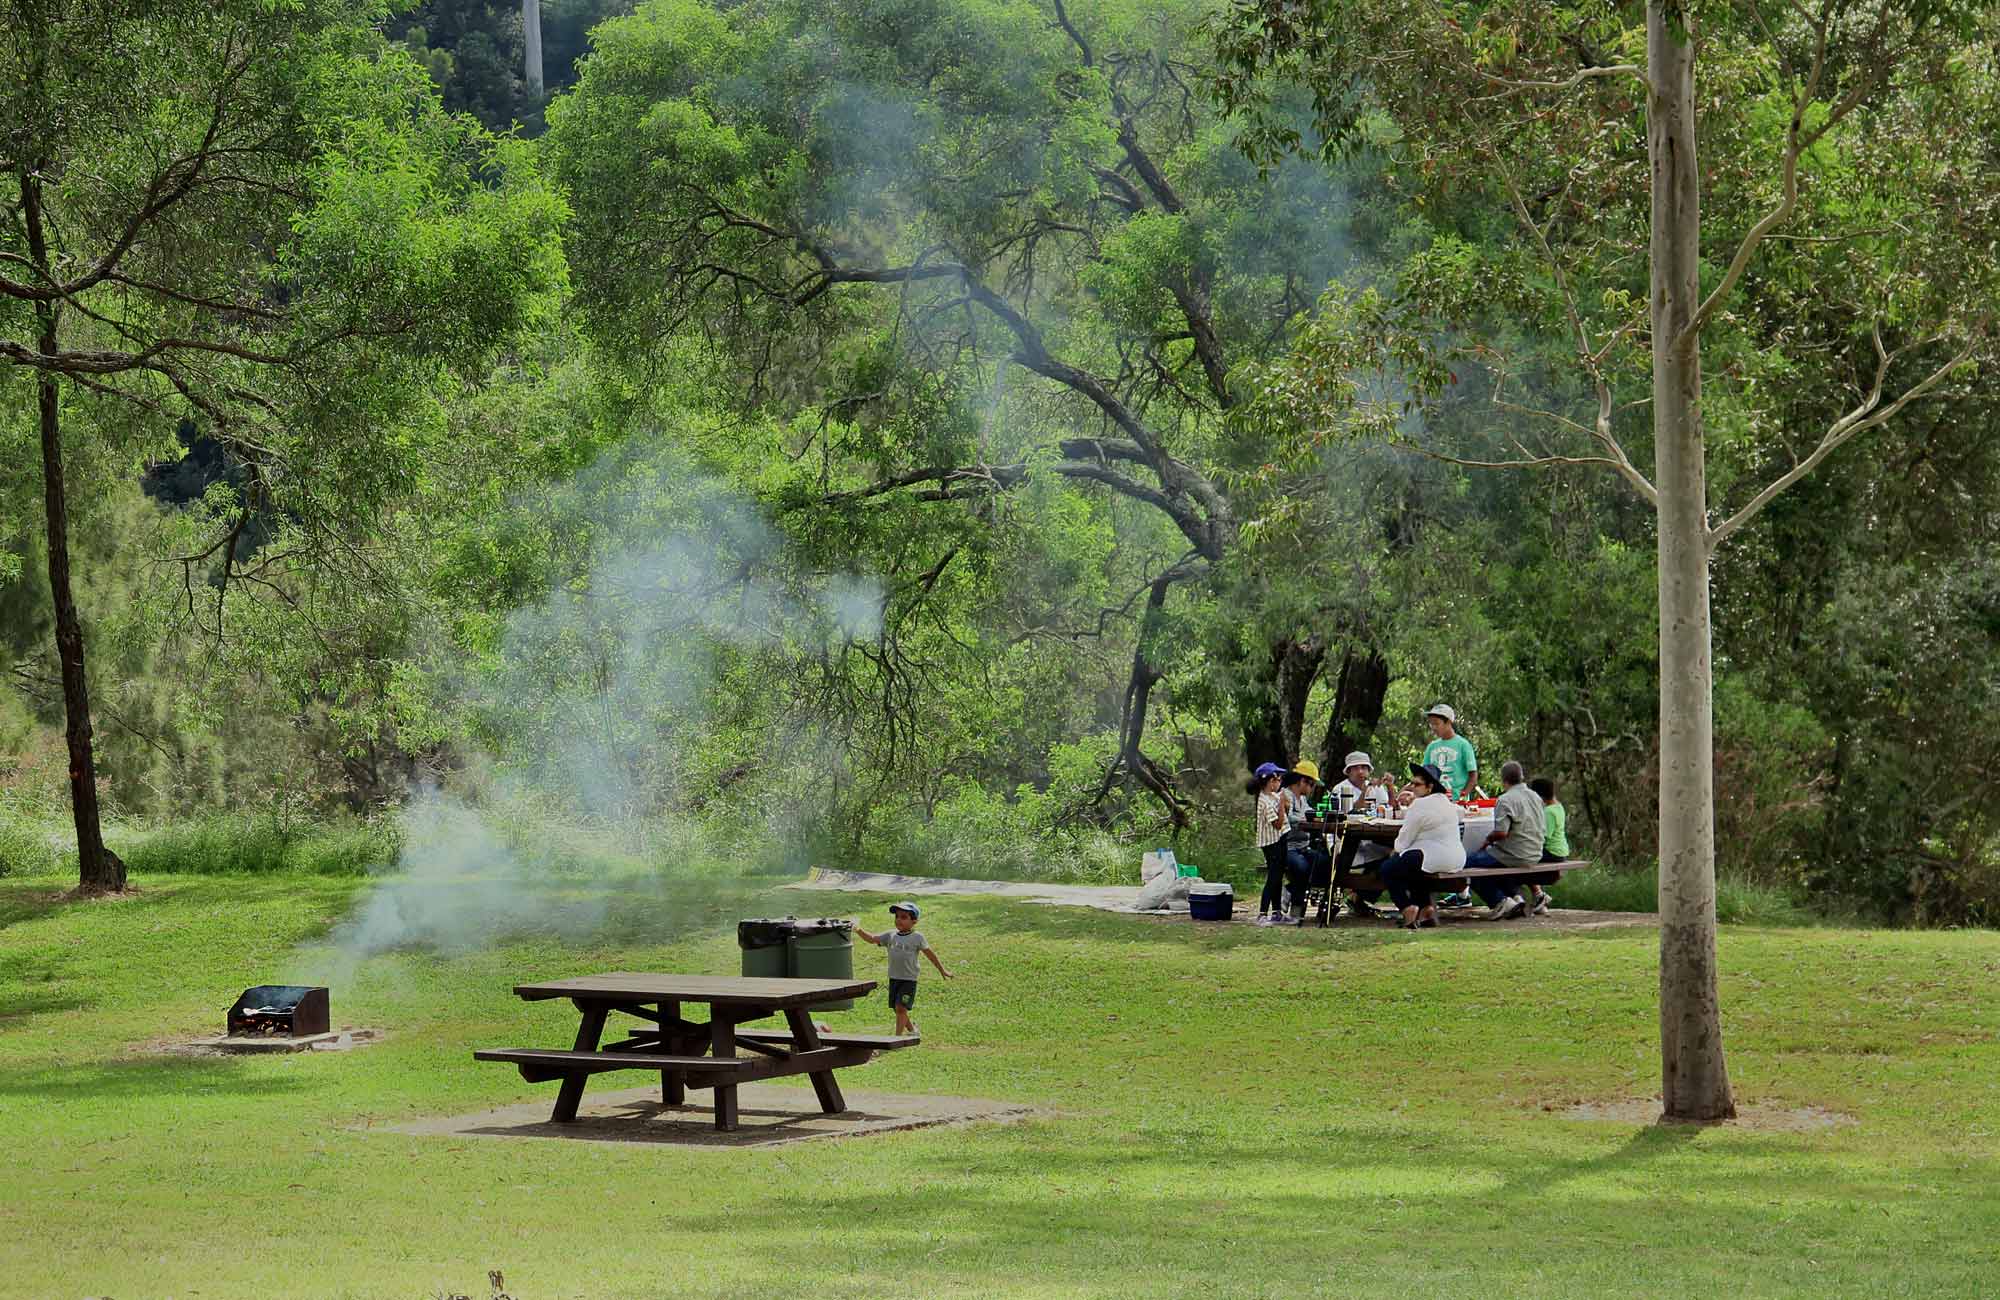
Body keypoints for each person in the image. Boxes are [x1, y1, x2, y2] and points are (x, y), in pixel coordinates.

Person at [1376, 763, 1467, 930]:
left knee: (1388, 868)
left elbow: (1402, 842)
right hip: (1456, 858)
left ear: (1430, 787)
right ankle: (1426, 909)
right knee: (1412, 865)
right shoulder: (1447, 803)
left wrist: (1394, 852)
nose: (1413, 788)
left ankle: (1407, 908)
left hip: (1434, 856)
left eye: (1417, 784)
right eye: (1412, 783)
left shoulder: (1419, 805)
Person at [1462, 761, 1547, 920]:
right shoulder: (1535, 796)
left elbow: (1501, 833)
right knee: (1489, 864)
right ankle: (1516, 899)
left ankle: (1499, 901)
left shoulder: (1505, 799)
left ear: (1503, 780)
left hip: (1514, 854)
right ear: (1522, 777)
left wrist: (1488, 840)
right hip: (1536, 851)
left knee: (1466, 863)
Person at [854, 901, 951, 1035]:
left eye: (904, 917)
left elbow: (930, 955)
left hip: (908, 979)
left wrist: (942, 970)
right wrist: (858, 929)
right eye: (897, 916)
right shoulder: (890, 935)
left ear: (914, 921)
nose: (899, 920)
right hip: (894, 978)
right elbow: (872, 939)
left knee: (900, 1008)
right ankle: (912, 1030)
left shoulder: (917, 937)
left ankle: (897, 1038)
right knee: (898, 1008)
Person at [1329, 751, 1391, 917]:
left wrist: (1390, 787)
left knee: (1395, 853)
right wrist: (1365, 791)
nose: (1361, 771)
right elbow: (1349, 813)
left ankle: (1360, 896)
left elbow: (1389, 808)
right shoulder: (1340, 789)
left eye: (1364, 767)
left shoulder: (1377, 788)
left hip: (1371, 839)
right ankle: (1355, 894)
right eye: (1356, 768)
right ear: (1348, 771)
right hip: (1346, 840)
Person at [1248, 762, 1295, 925]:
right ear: (1267, 781)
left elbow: (1285, 811)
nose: (1280, 781)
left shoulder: (1273, 796)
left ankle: (1277, 913)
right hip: (1271, 842)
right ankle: (1262, 914)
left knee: (1278, 876)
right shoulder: (1264, 801)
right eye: (1277, 779)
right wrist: (1282, 805)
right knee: (1273, 877)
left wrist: (1284, 803)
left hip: (1280, 838)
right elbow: (1277, 823)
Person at [1280, 765, 1326, 921]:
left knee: (1325, 863)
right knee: (1302, 867)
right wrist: (1306, 819)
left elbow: (1310, 812)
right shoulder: (1286, 795)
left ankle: (1296, 899)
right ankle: (1292, 896)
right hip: (1288, 847)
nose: (1312, 789)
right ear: (1301, 781)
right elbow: (1290, 818)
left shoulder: (1303, 799)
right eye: (1311, 784)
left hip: (1304, 847)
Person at [1527, 776, 1569, 915]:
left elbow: (1544, 837)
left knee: (1522, 859)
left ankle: (1538, 896)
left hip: (1552, 852)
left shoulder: (1548, 812)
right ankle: (1538, 895)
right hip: (1561, 851)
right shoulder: (1558, 807)